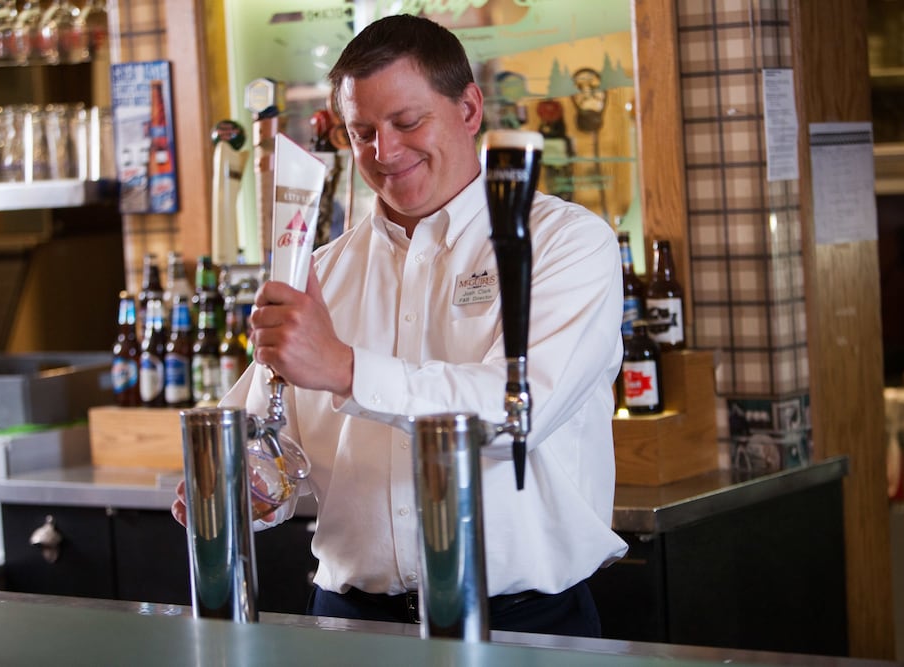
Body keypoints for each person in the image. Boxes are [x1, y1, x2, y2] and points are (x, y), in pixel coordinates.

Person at [173, 13, 628, 637]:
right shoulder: (320, 271)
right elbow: (268, 439)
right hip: (348, 625)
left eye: (407, 122)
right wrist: (252, 483)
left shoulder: (564, 244)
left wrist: (346, 369)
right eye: (362, 133)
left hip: (525, 625)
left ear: (469, 109)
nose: (384, 153)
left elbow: (518, 413)